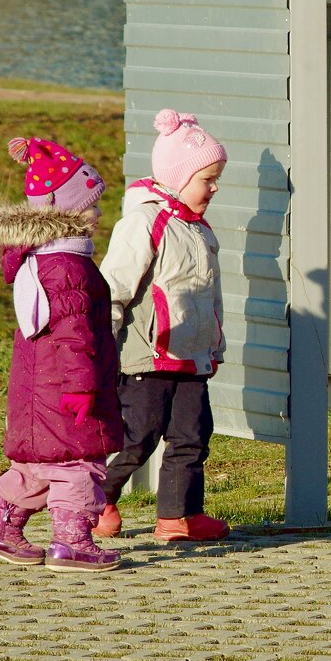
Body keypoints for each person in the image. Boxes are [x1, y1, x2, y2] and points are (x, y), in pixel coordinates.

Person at [0, 137, 123, 572]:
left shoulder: (39, 258)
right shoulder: (70, 266)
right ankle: (73, 542)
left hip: (36, 389)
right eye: (92, 204)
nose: (98, 213)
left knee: (37, 464)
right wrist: (83, 387)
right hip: (65, 388)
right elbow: (75, 335)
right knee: (78, 462)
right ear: (65, 209)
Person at [94, 109, 230, 542]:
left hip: (192, 357)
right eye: (206, 179)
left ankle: (177, 516)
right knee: (139, 437)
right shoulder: (144, 223)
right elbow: (113, 287)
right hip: (146, 356)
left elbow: (211, 296)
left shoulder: (201, 231)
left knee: (192, 437)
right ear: (177, 177)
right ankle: (97, 497)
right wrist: (102, 344)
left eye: (215, 178)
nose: (214, 187)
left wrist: (215, 347)